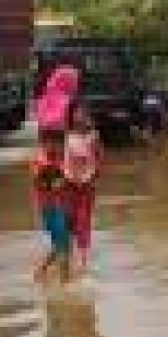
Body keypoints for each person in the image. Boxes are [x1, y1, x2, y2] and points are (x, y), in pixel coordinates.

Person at [64, 101, 103, 270]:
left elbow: (100, 157)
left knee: (83, 221)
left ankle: (83, 261)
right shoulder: (67, 136)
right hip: (69, 183)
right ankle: (67, 258)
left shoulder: (93, 135)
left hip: (87, 184)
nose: (80, 116)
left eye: (83, 113)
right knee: (69, 221)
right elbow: (62, 160)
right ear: (71, 116)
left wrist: (93, 175)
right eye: (77, 113)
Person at [32, 128, 72, 284]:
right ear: (43, 144)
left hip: (61, 205)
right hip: (48, 208)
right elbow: (41, 181)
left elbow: (65, 180)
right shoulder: (39, 161)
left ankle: (46, 272)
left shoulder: (60, 159)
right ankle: (62, 281)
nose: (54, 146)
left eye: (57, 143)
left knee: (63, 244)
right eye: (50, 143)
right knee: (62, 244)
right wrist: (58, 178)